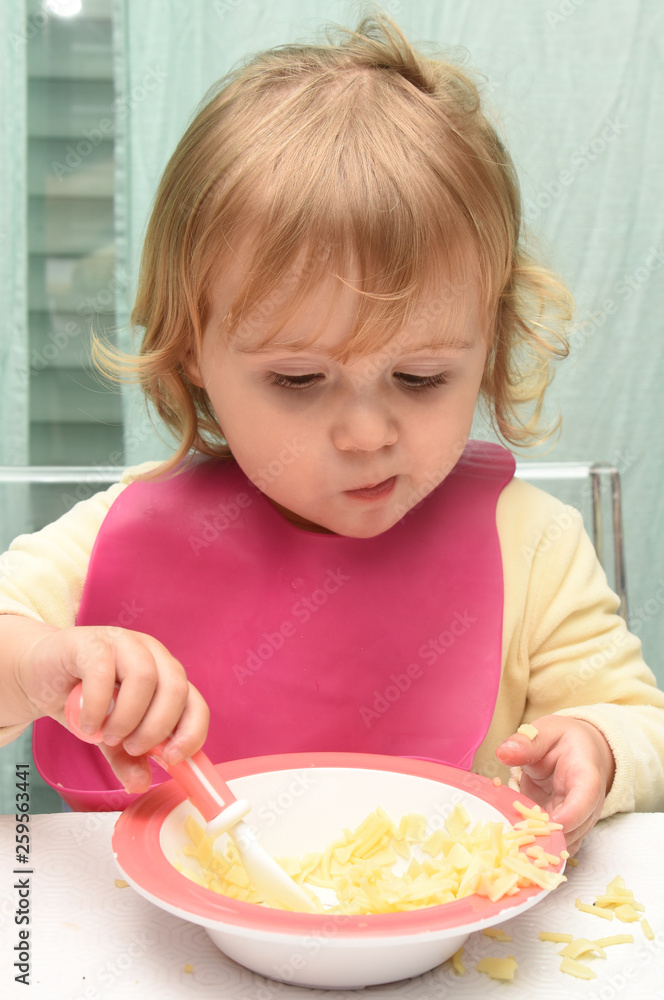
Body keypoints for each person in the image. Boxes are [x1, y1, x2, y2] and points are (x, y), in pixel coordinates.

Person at [0, 14, 662, 857]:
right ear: (192, 350)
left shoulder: (531, 546)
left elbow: (635, 717)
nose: (365, 433)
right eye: (299, 381)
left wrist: (597, 746)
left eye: (421, 378)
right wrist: (34, 667)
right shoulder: (121, 536)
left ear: (487, 346)